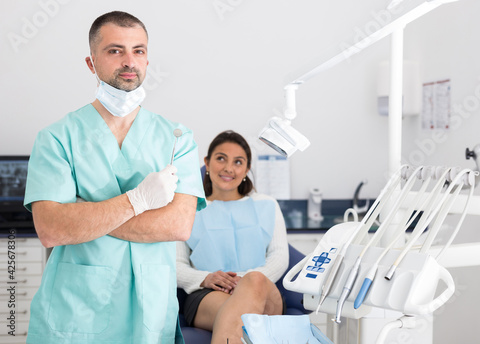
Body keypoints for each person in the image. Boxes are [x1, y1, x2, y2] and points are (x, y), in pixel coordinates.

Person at [23, 11, 206, 344]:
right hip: (76, 309)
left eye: (138, 50)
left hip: (151, 311)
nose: (129, 61)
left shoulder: (178, 138)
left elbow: (178, 225)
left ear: (148, 60)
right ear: (91, 63)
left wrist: (85, 214)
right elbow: (51, 229)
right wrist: (139, 201)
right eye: (115, 50)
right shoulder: (57, 138)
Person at [176, 130, 289, 343]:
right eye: (221, 159)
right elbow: (175, 264)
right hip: (208, 293)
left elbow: (280, 256)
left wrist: (245, 282)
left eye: (238, 162)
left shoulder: (266, 205)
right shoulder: (188, 209)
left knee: (254, 281)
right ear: (207, 163)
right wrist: (205, 278)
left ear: (247, 169)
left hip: (263, 288)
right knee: (243, 314)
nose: (229, 168)